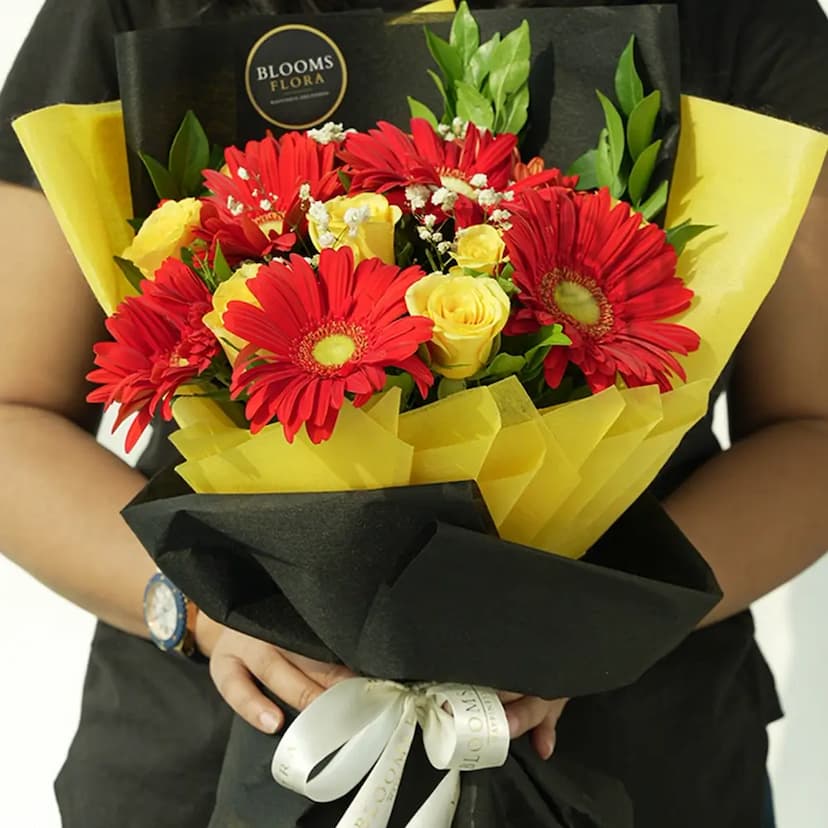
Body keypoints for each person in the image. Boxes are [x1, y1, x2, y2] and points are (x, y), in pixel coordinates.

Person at [0, 0, 825, 825]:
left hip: (633, 752)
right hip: (209, 749)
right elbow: (12, 411)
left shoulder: (730, 14)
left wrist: (593, 626)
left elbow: (811, 425)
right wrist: (201, 610)